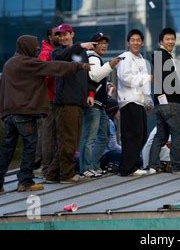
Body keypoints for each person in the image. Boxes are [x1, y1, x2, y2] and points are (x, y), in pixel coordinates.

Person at [0, 35, 90, 194]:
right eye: (34, 46)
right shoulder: (28, 63)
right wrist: (78, 66)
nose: (36, 49)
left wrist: (4, 112)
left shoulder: (9, 64)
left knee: (6, 148)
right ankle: (25, 181)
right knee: (30, 147)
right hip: (24, 113)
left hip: (9, 114)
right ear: (26, 47)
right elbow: (54, 67)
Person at [45, 23, 96, 184]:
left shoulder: (81, 52)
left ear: (72, 34)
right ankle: (67, 175)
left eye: (65, 34)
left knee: (71, 141)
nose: (63, 37)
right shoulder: (57, 53)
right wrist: (80, 45)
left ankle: (53, 174)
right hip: (66, 103)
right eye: (59, 35)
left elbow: (88, 75)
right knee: (68, 140)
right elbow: (66, 54)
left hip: (79, 103)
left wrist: (90, 93)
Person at [79, 32, 121, 178]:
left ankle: (94, 166)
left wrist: (107, 84)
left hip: (100, 104)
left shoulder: (96, 58)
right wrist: (111, 65)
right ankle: (86, 168)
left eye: (105, 43)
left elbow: (97, 79)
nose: (104, 45)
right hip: (93, 104)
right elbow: (95, 75)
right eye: (100, 43)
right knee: (89, 137)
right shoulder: (93, 57)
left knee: (103, 136)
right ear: (93, 45)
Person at [147, 28, 180, 175]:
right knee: (177, 134)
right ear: (161, 42)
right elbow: (170, 81)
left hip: (160, 103)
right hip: (170, 103)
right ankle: (177, 166)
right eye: (167, 39)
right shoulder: (163, 57)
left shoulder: (160, 56)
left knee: (161, 135)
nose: (171, 41)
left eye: (172, 39)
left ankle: (153, 165)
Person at [116, 29, 153, 176]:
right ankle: (127, 168)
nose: (136, 42)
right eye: (133, 40)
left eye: (138, 40)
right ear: (128, 42)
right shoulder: (125, 57)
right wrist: (146, 78)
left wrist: (148, 101)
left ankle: (134, 164)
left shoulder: (142, 60)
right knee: (132, 134)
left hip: (139, 102)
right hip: (128, 100)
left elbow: (145, 85)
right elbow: (125, 78)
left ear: (142, 43)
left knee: (142, 134)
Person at [34, 27, 60, 178]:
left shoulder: (54, 52)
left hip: (53, 97)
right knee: (48, 132)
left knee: (48, 131)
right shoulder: (46, 54)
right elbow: (42, 76)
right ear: (50, 37)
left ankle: (40, 164)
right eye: (56, 34)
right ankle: (46, 167)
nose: (59, 36)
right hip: (49, 98)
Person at [99, 98, 122, 173]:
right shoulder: (110, 123)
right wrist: (125, 150)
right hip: (105, 155)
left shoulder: (101, 120)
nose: (120, 112)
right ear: (114, 111)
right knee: (135, 159)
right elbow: (112, 146)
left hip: (98, 156)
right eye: (119, 110)